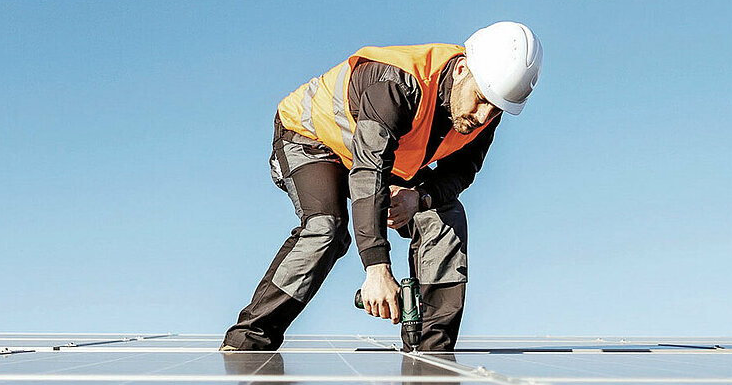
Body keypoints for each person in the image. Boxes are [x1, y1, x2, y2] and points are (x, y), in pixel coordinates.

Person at [221, 22, 543, 351]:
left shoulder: (488, 106)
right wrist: (376, 268)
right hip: (310, 139)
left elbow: (461, 171)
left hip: (380, 157)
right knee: (326, 228)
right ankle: (248, 340)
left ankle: (430, 351)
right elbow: (368, 171)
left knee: (443, 215)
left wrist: (419, 197)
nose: (484, 114)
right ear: (462, 68)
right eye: (481, 99)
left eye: (496, 108)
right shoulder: (397, 84)